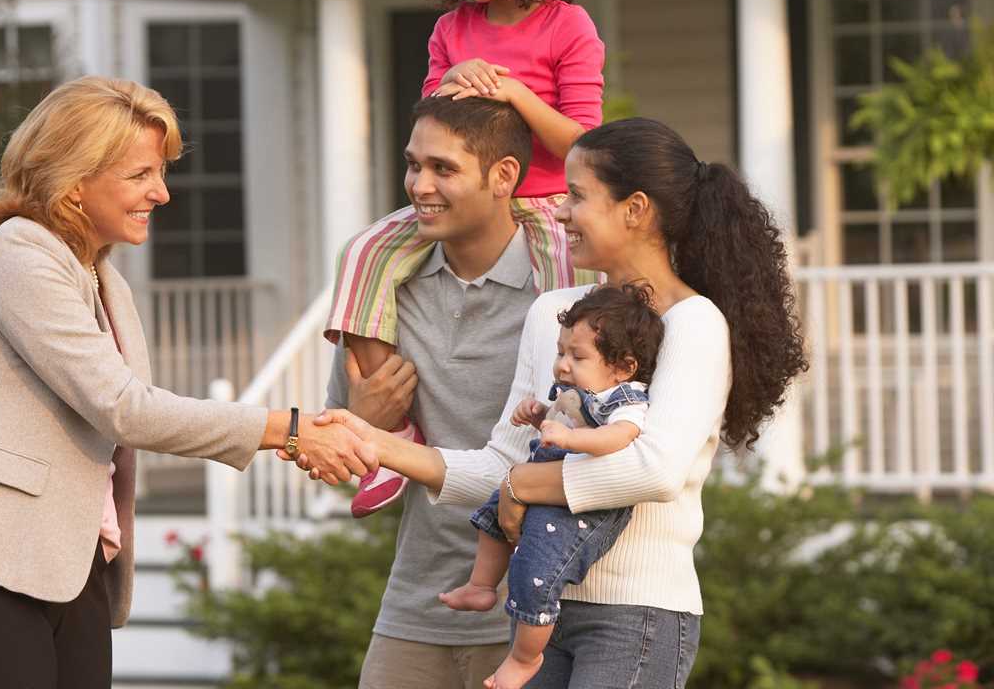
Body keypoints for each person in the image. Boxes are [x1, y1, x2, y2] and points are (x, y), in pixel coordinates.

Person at [0, 76, 375, 689]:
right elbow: (124, 408)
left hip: (68, 565)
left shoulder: (103, 280)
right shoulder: (17, 255)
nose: (161, 194)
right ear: (75, 177)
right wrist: (288, 431)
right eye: (141, 175)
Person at [309, 117, 808, 689]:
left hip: (639, 617)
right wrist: (373, 442)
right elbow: (503, 464)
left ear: (635, 209)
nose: (559, 212)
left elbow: (655, 469)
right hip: (541, 615)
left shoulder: (693, 323)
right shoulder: (555, 312)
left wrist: (522, 486)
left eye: (576, 196)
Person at [328, 0, 606, 518]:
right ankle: (390, 427)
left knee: (567, 301)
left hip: (540, 203)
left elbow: (586, 144)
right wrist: (459, 79)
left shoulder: (568, 25)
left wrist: (513, 93)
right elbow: (432, 122)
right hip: (463, 199)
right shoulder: (452, 30)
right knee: (364, 251)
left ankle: (559, 433)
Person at [324, 94, 546, 689]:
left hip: (535, 615)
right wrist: (361, 422)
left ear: (503, 177)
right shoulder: (385, 291)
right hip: (414, 610)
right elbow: (331, 455)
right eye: (413, 164)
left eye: (443, 168)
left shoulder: (559, 298)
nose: (419, 184)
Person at [440, 285, 664, 689]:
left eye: (577, 357)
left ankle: (524, 658)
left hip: (581, 504)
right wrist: (538, 413)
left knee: (535, 573)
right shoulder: (574, 391)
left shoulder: (624, 400)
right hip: (545, 485)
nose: (562, 365)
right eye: (561, 352)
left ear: (624, 366)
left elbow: (618, 439)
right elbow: (559, 417)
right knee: (491, 518)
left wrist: (569, 439)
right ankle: (480, 585)